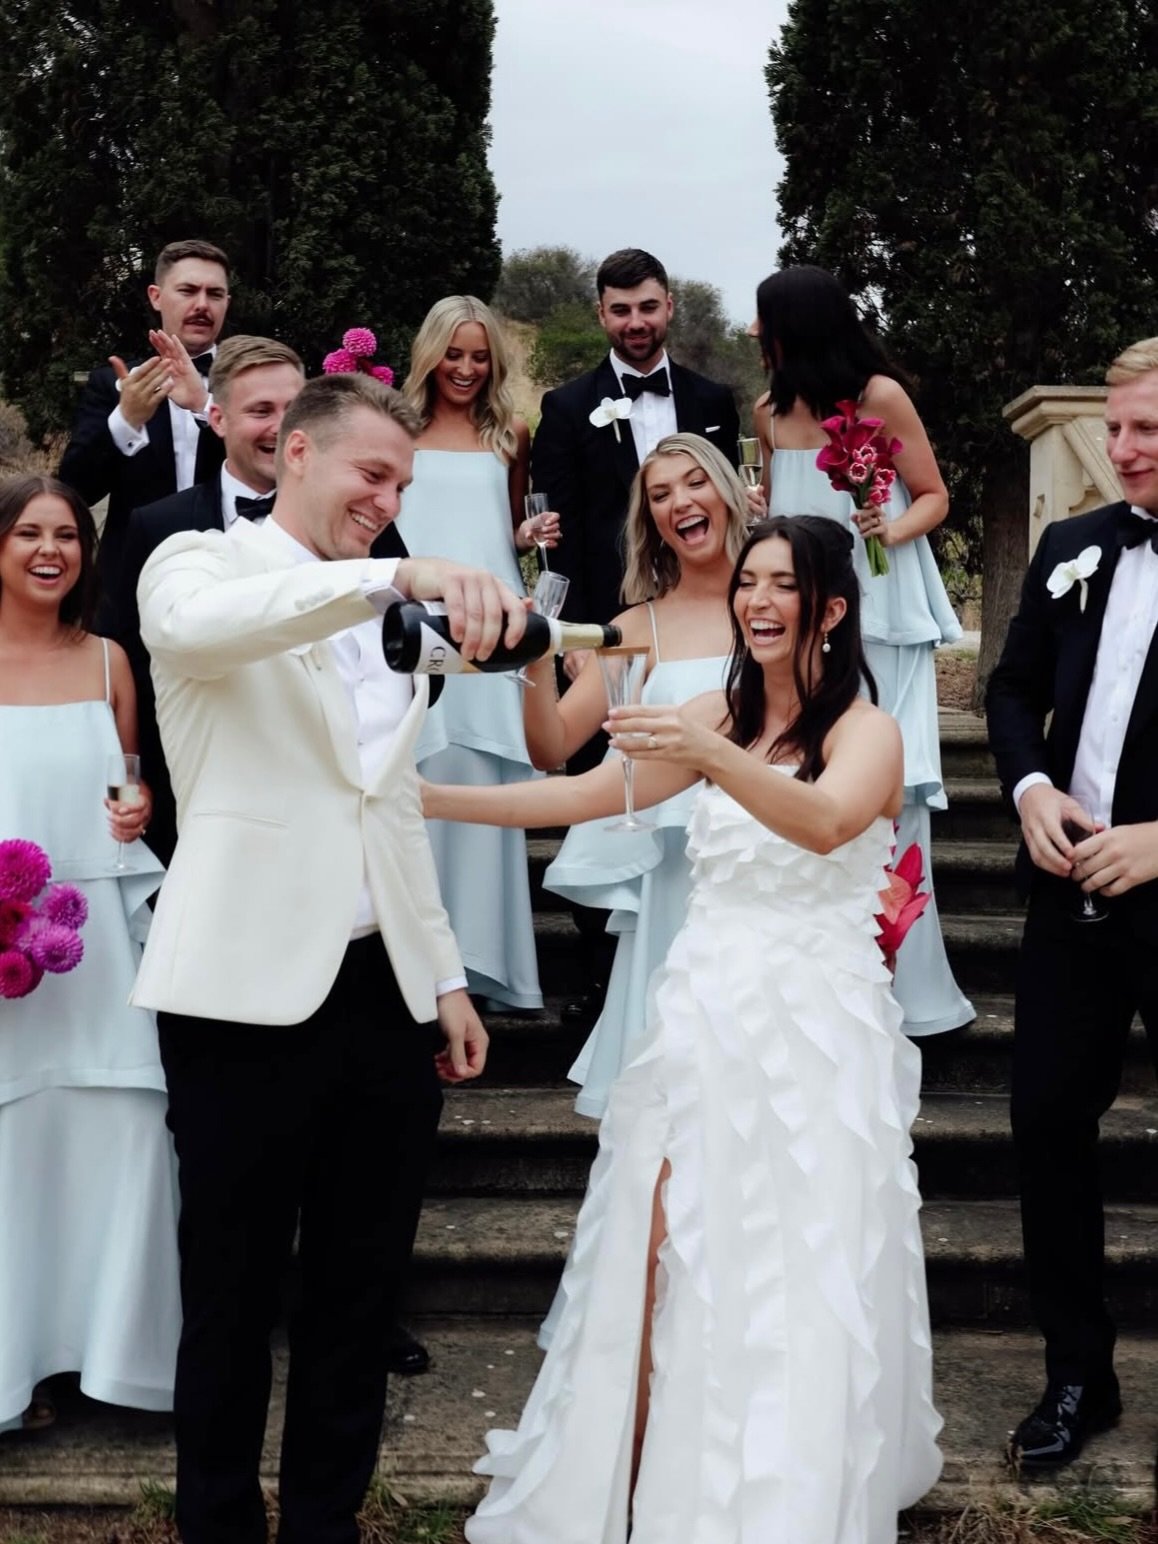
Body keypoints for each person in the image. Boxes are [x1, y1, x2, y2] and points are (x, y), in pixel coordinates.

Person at [425, 516, 943, 1542]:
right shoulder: (717, 709)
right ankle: (649, 1485)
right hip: (705, 1008)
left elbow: (828, 820)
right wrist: (422, 798)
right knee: (673, 1245)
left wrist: (709, 748)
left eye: (781, 584)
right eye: (748, 581)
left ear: (830, 609)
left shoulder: (865, 730)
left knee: (797, 1257)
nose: (755, 599)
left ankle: (780, 1500)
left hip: (816, 1025)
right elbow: (584, 791)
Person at [132, 371, 527, 1544]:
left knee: (358, 1297)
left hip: (383, 992)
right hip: (239, 993)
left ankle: (324, 1524)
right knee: (232, 1297)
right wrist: (387, 574)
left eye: (402, 486)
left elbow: (387, 799)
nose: (387, 499)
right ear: (295, 454)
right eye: (373, 475)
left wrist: (445, 973)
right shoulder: (195, 562)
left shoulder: (383, 618)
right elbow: (200, 636)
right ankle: (215, 1523)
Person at [987, 336, 1158, 1469]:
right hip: (1070, 902)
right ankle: (1077, 1373)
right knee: (1045, 1123)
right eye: (1118, 426)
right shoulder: (1073, 545)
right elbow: (1007, 686)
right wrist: (1033, 785)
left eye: (1148, 431)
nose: (1123, 449)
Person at [753, 264, 973, 1038]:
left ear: (793, 328)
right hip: (808, 625)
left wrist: (888, 526)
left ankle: (905, 996)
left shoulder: (878, 397)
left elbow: (935, 496)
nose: (754, 335)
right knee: (814, 779)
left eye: (764, 321)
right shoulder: (768, 413)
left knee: (894, 794)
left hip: (883, 616)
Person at [0, 474, 177, 1436]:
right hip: (4, 963)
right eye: (28, 532)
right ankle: (13, 1368)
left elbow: (131, 787)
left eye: (66, 535)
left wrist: (138, 810)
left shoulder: (111, 661)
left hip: (97, 940)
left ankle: (109, 1359)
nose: (49, 550)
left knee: (121, 1138)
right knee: (12, 1150)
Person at [528, 433, 745, 1117]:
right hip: (676, 873)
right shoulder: (633, 626)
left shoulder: (779, 600)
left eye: (694, 483)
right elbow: (554, 744)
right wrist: (536, 654)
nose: (680, 500)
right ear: (651, 521)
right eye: (660, 495)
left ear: (726, 492)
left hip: (768, 865)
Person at [396, 296, 554, 1011]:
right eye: (453, 354)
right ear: (430, 354)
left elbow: (505, 523)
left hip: (495, 631)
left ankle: (486, 967)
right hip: (413, 627)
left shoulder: (511, 433)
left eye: (479, 356)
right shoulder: (394, 431)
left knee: (484, 786)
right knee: (417, 783)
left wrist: (525, 539)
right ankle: (418, 972)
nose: (465, 368)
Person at [110, 334, 306, 866]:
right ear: (216, 419)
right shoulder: (157, 524)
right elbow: (120, 666)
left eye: (294, 409)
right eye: (261, 410)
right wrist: (126, 790)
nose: (281, 427)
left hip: (311, 806)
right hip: (187, 798)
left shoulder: (355, 523)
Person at [532, 247, 740, 632]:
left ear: (669, 307)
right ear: (601, 314)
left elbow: (728, 509)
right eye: (621, 310)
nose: (636, 322)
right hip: (611, 613)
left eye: (648, 307)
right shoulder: (566, 408)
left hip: (712, 608)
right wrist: (575, 631)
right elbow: (557, 533)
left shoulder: (714, 401)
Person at [59, 239, 231, 599]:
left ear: (227, 303)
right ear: (156, 296)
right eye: (187, 290)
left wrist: (204, 406)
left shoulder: (248, 383)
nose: (202, 304)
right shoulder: (112, 383)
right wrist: (126, 420)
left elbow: (276, 473)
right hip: (129, 585)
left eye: (215, 294)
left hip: (231, 577)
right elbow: (75, 488)